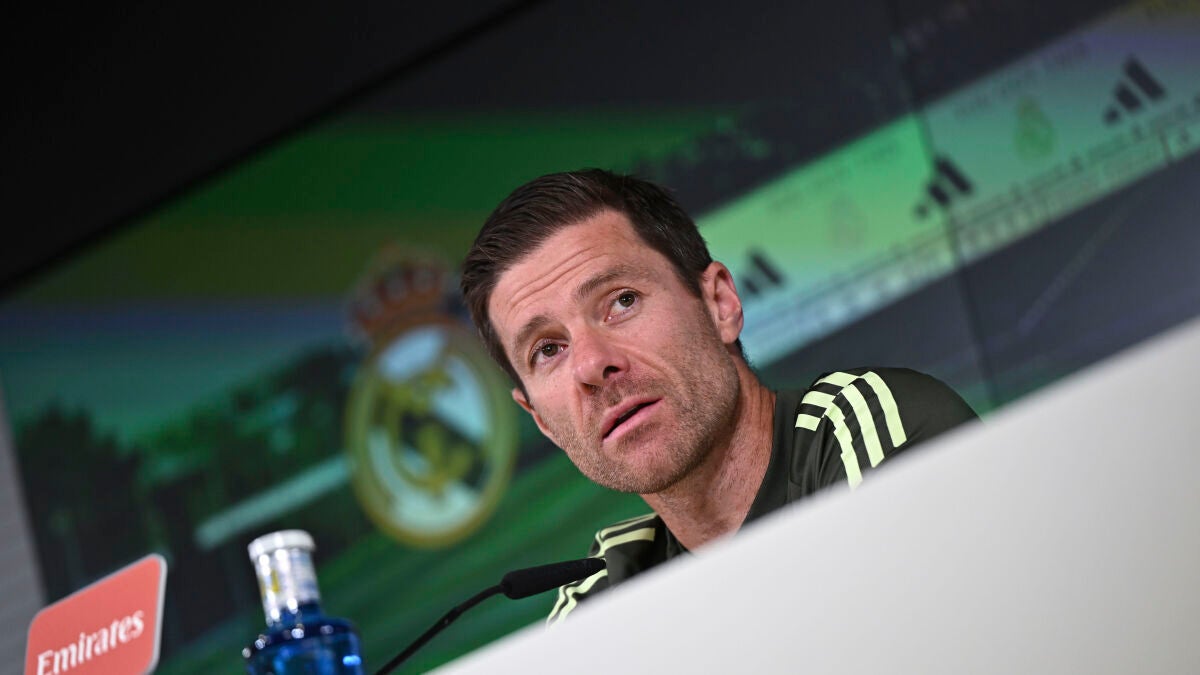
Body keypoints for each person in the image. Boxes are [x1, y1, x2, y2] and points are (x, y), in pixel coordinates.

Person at [459, 168, 978, 624]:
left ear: (720, 303)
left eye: (621, 301)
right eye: (548, 350)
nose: (592, 365)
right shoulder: (601, 601)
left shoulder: (866, 429)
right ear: (541, 420)